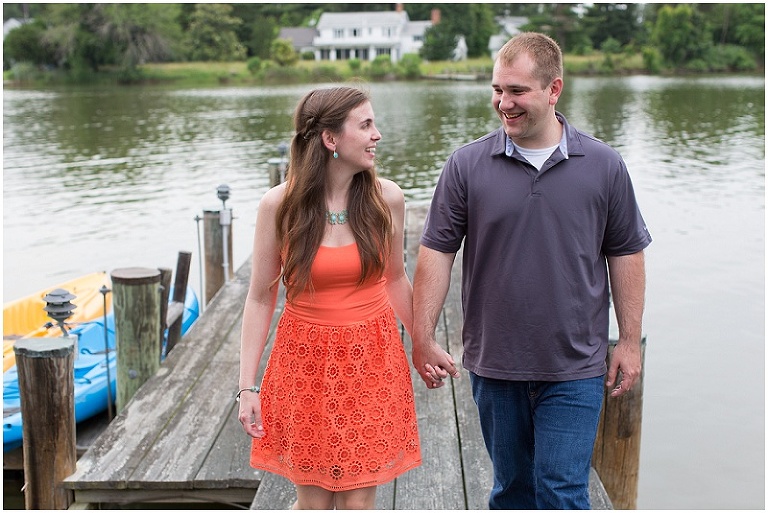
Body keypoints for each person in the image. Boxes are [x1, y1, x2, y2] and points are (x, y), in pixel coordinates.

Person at [411, 32, 652, 510]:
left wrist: (627, 340)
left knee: (561, 492)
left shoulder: (603, 166)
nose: (504, 103)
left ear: (553, 89)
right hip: (495, 362)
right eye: (498, 90)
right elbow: (436, 252)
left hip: (575, 365)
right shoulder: (466, 165)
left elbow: (626, 253)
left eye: (517, 91)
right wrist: (421, 335)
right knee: (512, 492)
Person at [237, 86, 420, 510]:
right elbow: (260, 299)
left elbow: (395, 278)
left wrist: (423, 344)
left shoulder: (386, 199)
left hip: (371, 361)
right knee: (313, 502)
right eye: (366, 125)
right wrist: (248, 387)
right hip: (305, 362)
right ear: (330, 139)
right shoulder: (279, 206)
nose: (378, 135)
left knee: (358, 503)